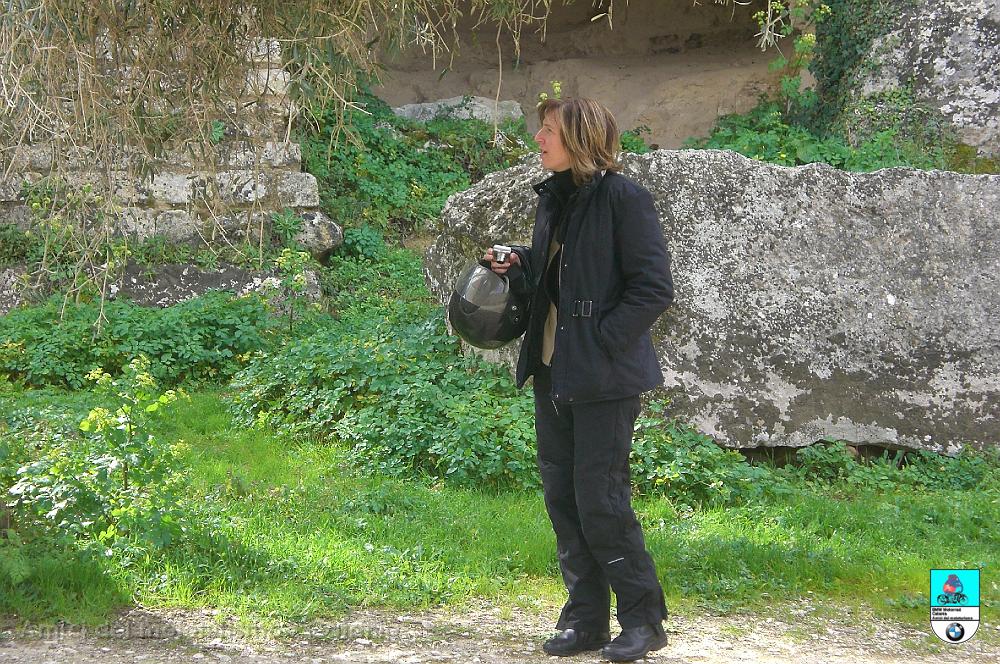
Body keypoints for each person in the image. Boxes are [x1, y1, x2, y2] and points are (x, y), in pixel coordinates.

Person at [483, 97, 674, 662]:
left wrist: (602, 340)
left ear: (581, 139)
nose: (538, 139)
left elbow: (653, 287)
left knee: (601, 500)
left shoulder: (624, 198)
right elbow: (565, 267)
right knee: (564, 498)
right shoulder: (554, 198)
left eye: (549, 130)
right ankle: (585, 620)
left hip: (605, 381)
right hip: (553, 373)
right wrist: (520, 261)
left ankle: (643, 620)